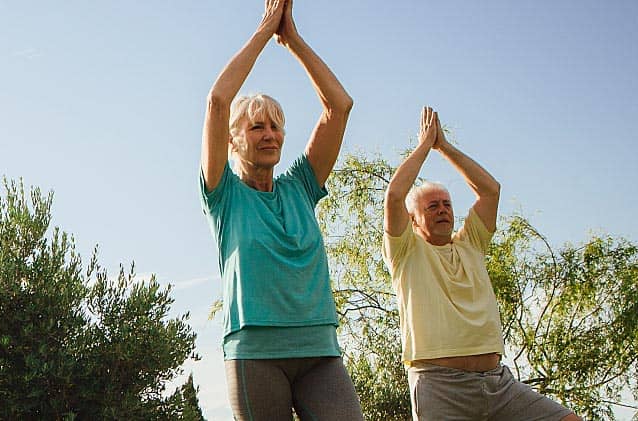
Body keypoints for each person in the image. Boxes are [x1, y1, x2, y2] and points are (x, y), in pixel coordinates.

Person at [199, 0, 363, 419]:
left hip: (318, 350)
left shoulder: (301, 187)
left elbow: (339, 107)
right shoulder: (224, 195)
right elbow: (219, 101)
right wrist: (264, 30)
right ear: (234, 141)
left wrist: (292, 40)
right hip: (255, 353)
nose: (269, 135)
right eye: (257, 127)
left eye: (275, 126)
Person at [385, 108, 580, 421]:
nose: (442, 210)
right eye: (432, 206)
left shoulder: (471, 243)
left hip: (498, 383)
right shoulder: (405, 250)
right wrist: (424, 145)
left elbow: (490, 190)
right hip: (440, 385)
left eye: (447, 204)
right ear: (413, 219)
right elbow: (395, 195)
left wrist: (444, 146)